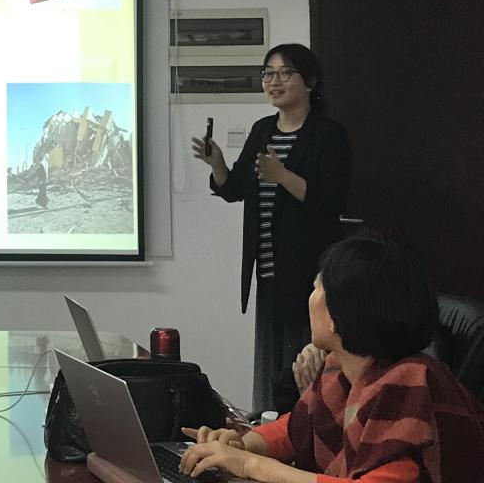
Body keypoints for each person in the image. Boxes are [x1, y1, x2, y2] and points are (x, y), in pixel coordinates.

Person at [179, 234, 484, 482]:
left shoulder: (409, 384)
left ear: (339, 313)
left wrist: (250, 465)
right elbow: (295, 430)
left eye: (317, 287)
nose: (310, 297)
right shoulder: (340, 369)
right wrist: (240, 445)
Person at [192, 43, 351, 412]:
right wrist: (217, 164)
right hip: (268, 271)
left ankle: (305, 429)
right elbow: (236, 190)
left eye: (284, 73)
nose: (273, 81)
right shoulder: (262, 129)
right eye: (268, 74)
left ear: (310, 81)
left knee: (306, 364)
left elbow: (331, 201)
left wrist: (283, 176)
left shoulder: (328, 134)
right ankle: (270, 427)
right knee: (270, 365)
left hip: (309, 272)